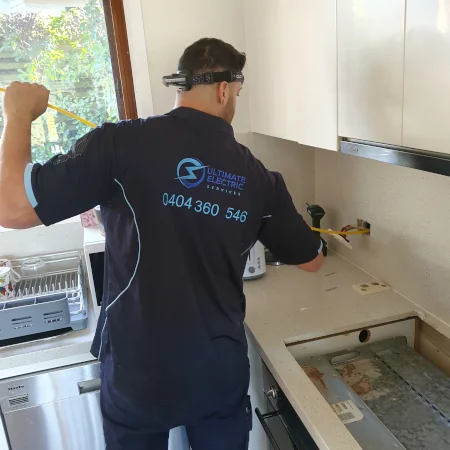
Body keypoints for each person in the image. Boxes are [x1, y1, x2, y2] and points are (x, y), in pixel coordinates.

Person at [0, 38, 323, 450]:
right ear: (226, 89)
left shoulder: (119, 144)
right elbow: (310, 260)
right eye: (238, 93)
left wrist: (18, 114)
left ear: (181, 86)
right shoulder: (258, 176)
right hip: (216, 369)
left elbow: (10, 207)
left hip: (140, 371)